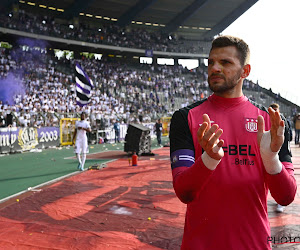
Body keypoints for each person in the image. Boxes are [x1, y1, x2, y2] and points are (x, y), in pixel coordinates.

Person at [169, 35, 297, 249]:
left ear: (245, 71)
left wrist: (270, 158)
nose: (215, 68)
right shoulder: (185, 117)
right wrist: (208, 159)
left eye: (225, 62)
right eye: (211, 62)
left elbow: (285, 196)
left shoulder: (271, 122)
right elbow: (184, 192)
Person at [269, 103, 292, 213]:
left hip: (281, 154)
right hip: (271, 153)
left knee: (281, 181)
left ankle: (280, 203)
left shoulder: (283, 120)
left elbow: (288, 138)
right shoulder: (266, 119)